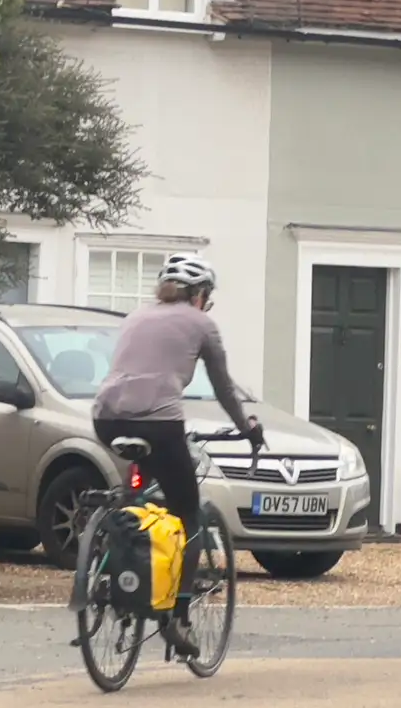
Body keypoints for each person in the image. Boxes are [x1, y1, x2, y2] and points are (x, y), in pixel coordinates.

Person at [92, 253, 262, 657]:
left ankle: (107, 560)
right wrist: (248, 429)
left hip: (107, 418)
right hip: (159, 423)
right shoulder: (203, 324)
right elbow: (223, 389)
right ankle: (177, 616)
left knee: (136, 498)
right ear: (200, 295)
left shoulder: (136, 317)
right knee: (189, 516)